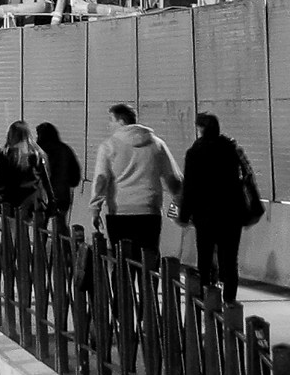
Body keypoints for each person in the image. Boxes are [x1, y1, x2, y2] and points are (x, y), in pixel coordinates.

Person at [178, 112, 254, 301]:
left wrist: (184, 214)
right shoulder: (232, 148)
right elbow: (248, 175)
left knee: (204, 259)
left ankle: (207, 301)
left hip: (205, 215)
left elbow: (190, 186)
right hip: (231, 213)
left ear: (201, 129)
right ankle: (229, 304)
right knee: (229, 262)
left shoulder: (195, 152)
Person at [91, 103, 181, 261]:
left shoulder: (109, 146)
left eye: (111, 120)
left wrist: (95, 208)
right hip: (149, 211)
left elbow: (101, 179)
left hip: (119, 212)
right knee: (148, 260)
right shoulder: (157, 144)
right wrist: (179, 205)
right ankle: (148, 285)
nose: (108, 125)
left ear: (121, 122)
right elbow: (173, 178)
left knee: (123, 262)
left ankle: (124, 285)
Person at [0, 120, 52, 218]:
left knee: (14, 231)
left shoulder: (7, 155)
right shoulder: (37, 154)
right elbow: (45, 179)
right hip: (35, 201)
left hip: (13, 202)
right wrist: (51, 199)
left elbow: (1, 180)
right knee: (36, 230)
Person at [36, 122, 83, 229]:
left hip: (42, 197)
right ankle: (62, 245)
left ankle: (41, 245)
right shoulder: (65, 149)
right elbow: (75, 175)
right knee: (60, 227)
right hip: (62, 195)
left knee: (40, 229)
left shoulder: (38, 152)